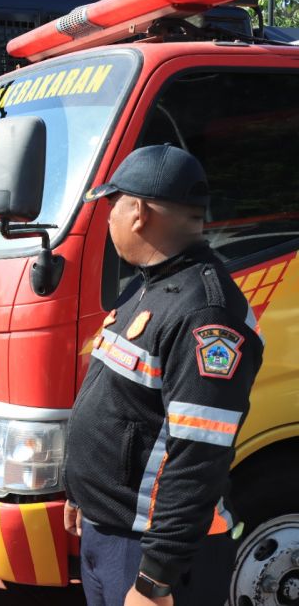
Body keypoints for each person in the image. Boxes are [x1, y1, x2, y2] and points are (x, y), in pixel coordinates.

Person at [63, 145, 263, 606]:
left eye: (112, 204)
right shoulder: (150, 284)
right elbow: (121, 408)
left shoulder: (206, 314)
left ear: (139, 213)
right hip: (110, 533)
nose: (108, 217)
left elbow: (198, 456)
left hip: (149, 553)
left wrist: (155, 580)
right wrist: (81, 494)